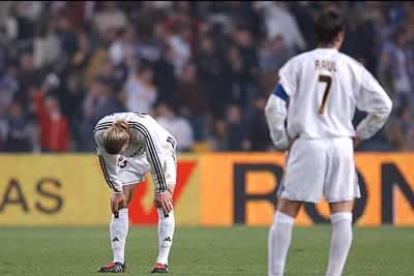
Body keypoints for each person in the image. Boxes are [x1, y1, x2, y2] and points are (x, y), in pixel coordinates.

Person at [265, 10, 392, 276]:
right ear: (340, 36)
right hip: (341, 144)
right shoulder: (351, 67)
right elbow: (384, 105)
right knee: (342, 211)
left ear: (316, 35)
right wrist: (361, 133)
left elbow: (274, 105)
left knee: (287, 208)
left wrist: (281, 140)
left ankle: (275, 274)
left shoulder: (298, 64)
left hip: (307, 141)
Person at [94, 112, 177, 274]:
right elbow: (106, 162)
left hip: (161, 149)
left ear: (127, 143)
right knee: (120, 202)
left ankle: (162, 262)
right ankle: (118, 261)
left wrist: (162, 189)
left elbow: (156, 158)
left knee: (163, 202)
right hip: (133, 157)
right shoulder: (100, 134)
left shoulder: (143, 131)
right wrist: (116, 190)